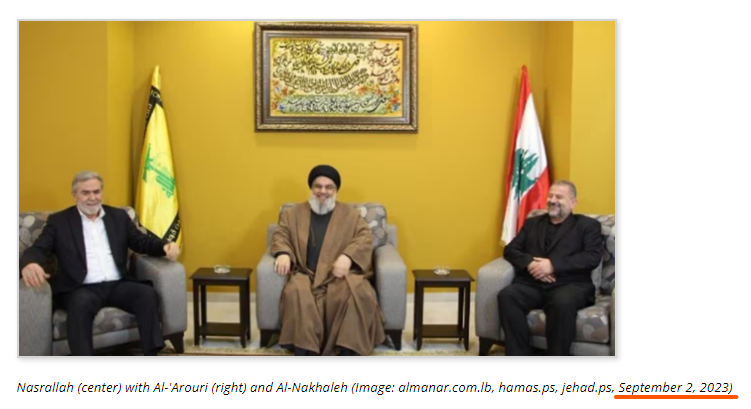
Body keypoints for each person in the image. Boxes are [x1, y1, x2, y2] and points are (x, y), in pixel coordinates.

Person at [20, 171, 180, 356]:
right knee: (80, 306)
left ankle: (151, 353)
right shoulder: (59, 221)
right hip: (80, 287)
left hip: (117, 284)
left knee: (146, 294)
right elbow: (39, 248)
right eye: (85, 193)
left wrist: (164, 246)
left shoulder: (118, 217)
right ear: (75, 195)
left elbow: (141, 241)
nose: (92, 198)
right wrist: (29, 263)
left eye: (96, 192)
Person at [272, 164, 385, 356]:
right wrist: (283, 253)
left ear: (335, 190)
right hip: (306, 274)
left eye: (328, 187)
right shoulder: (292, 214)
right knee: (296, 291)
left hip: (337, 276)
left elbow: (364, 236)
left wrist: (348, 256)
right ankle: (306, 348)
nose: (323, 191)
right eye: (318, 186)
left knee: (358, 291)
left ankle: (347, 349)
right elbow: (280, 234)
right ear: (311, 188)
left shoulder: (350, 214)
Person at [498, 180, 603, 356]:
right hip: (534, 284)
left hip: (570, 285)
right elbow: (510, 250)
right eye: (550, 195)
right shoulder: (532, 223)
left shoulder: (587, 226)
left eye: (559, 197)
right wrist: (531, 264)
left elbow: (592, 257)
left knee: (562, 302)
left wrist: (553, 265)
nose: (553, 200)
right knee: (507, 295)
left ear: (573, 202)